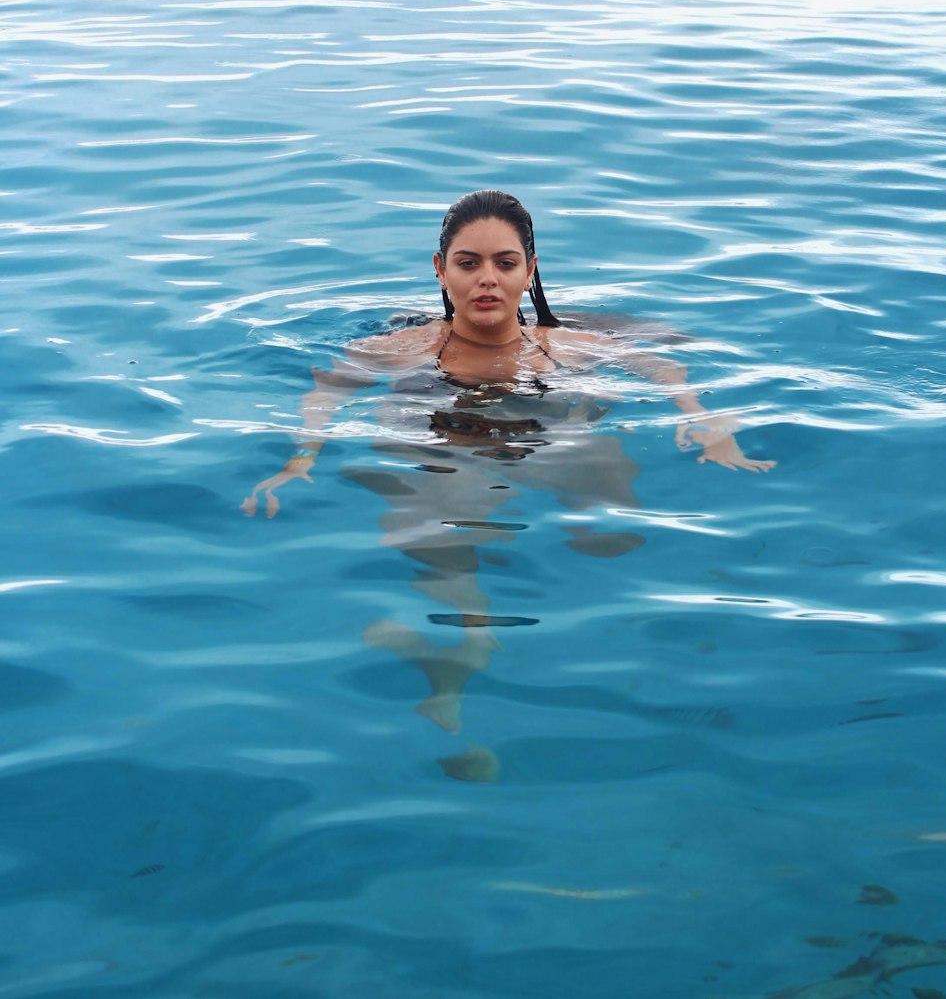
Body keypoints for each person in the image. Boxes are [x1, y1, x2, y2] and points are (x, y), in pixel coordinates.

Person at [242, 191, 775, 776]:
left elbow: (667, 368)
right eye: (468, 264)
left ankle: (520, 647)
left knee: (611, 529)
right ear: (441, 271)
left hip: (543, 441)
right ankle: (466, 646)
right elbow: (325, 391)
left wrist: (705, 423)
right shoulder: (404, 348)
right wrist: (301, 458)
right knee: (444, 520)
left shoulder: (565, 345)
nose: (487, 280)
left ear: (530, 270)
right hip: (442, 443)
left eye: (505, 263)